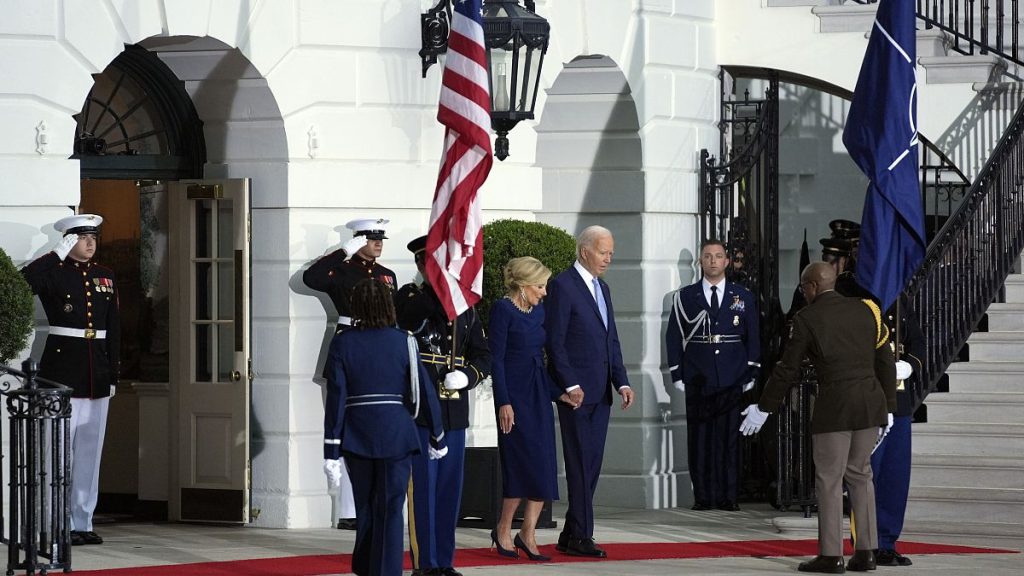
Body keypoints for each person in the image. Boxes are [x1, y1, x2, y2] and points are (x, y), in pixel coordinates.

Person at [739, 262, 896, 574]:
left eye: (803, 288)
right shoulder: (868, 309)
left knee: (829, 479)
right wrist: (889, 406)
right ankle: (866, 552)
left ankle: (831, 555)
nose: (804, 293)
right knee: (861, 475)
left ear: (812, 286)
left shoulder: (807, 318)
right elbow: (885, 360)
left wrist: (764, 407)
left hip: (835, 407)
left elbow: (787, 368)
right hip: (870, 403)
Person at [322, 279, 447, 576]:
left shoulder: (342, 342)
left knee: (365, 508)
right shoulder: (404, 340)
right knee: (391, 509)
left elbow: (337, 397)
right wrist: (437, 435)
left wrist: (331, 449)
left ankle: (367, 569)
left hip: (357, 434)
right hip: (396, 434)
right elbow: (424, 390)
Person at [395, 235, 491, 576]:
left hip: (454, 410)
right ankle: (426, 563)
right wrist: (443, 287)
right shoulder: (409, 297)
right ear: (423, 265)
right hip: (422, 409)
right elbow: (415, 315)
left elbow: (483, 354)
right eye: (437, 264)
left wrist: (468, 376)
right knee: (423, 487)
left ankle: (444, 561)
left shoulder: (466, 306)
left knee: (450, 489)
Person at [21, 214, 120, 546]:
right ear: (67, 240)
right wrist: (55, 255)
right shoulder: (54, 272)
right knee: (57, 452)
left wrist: (113, 373)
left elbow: (113, 327)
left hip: (96, 372)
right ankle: (54, 523)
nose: (90, 243)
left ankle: (82, 521)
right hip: (61, 371)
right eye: (81, 238)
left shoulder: (105, 276)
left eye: (93, 238)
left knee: (90, 453)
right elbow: (23, 284)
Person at [545, 225, 634, 558]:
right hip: (576, 395)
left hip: (602, 393)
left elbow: (611, 339)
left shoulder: (603, 288)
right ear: (584, 251)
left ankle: (571, 532)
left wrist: (622, 381)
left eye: (611, 253)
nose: (608, 258)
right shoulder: (562, 285)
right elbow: (555, 341)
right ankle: (582, 535)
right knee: (580, 464)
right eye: (603, 252)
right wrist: (569, 383)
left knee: (592, 464)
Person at [306, 217, 397, 529]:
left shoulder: (387, 275)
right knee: (344, 427)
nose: (378, 243)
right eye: (371, 239)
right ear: (358, 241)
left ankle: (374, 504)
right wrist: (342, 252)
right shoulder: (341, 270)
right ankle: (349, 510)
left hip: (380, 351)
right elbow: (311, 278)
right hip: (349, 347)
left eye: (380, 238)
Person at [666, 239, 760, 511]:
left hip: (732, 375)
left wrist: (752, 370)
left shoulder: (742, 296)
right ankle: (703, 497)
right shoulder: (685, 297)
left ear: (727, 261)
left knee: (729, 439)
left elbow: (752, 336)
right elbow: (673, 336)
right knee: (700, 439)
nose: (713, 261)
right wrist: (677, 373)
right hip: (699, 375)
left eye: (718, 256)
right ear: (700, 261)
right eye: (708, 256)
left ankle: (728, 496)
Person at [488, 257, 569, 562]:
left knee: (543, 464)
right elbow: (496, 361)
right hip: (515, 397)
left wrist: (559, 394)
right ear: (522, 286)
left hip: (537, 395)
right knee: (519, 465)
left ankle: (528, 533)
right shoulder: (502, 310)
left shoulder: (539, 311)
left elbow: (540, 361)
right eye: (539, 286)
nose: (544, 292)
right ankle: (503, 528)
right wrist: (503, 402)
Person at [871, 300, 926, 567]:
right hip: (869, 398)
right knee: (869, 474)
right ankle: (867, 543)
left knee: (895, 476)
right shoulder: (853, 297)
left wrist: (910, 366)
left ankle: (887, 543)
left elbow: (917, 342)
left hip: (899, 399)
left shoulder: (899, 301)